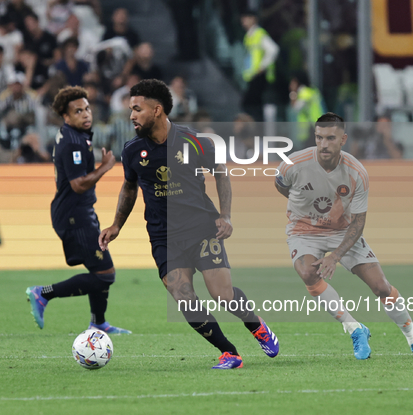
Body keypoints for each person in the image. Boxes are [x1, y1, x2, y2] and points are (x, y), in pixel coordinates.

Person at [98, 79, 279, 369]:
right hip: (163, 236)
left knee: (222, 294)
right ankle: (229, 352)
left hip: (201, 228)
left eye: (137, 109)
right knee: (183, 296)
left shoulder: (195, 141)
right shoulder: (132, 150)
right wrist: (117, 224)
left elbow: (221, 174)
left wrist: (226, 215)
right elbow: (129, 187)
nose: (131, 115)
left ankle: (257, 326)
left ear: (157, 110)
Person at [274, 112, 413, 360]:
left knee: (381, 287)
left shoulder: (356, 173)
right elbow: (280, 183)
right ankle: (354, 328)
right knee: (308, 273)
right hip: (304, 230)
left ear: (343, 139)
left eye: (331, 138)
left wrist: (336, 256)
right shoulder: (293, 164)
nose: (323, 144)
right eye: (319, 138)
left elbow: (359, 221)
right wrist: (300, 206)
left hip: (343, 230)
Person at [26, 85, 131, 335]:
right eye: (78, 111)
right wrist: (105, 167)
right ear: (66, 116)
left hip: (78, 212)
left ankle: (98, 322)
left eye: (87, 109)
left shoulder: (74, 136)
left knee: (99, 270)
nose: (86, 114)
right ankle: (43, 294)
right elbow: (78, 184)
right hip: (74, 214)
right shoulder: (74, 142)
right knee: (105, 274)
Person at [240, 9, 279, 122]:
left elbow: (273, 50)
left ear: (254, 19)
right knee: (252, 105)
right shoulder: (249, 36)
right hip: (253, 76)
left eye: (246, 17)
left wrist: (262, 66)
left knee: (251, 105)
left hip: (260, 76)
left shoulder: (259, 34)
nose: (243, 20)